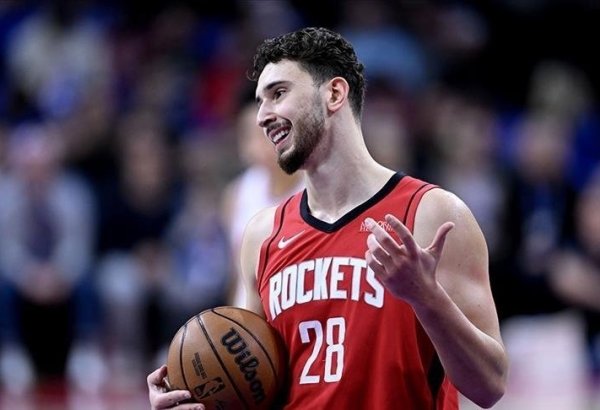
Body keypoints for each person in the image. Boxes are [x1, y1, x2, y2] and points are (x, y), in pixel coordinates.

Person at [147, 27, 508, 409]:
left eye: (278, 94)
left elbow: (489, 385)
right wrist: (196, 400)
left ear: (334, 94)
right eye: (259, 101)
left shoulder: (432, 214)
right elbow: (251, 390)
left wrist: (426, 297)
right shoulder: (263, 235)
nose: (262, 117)